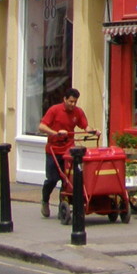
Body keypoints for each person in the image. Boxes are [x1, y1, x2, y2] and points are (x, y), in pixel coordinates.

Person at [37, 88, 88, 219]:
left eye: (75, 102)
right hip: (53, 149)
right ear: (64, 99)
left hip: (68, 151)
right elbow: (42, 127)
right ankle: (45, 200)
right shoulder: (54, 110)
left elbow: (85, 126)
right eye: (71, 101)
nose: (73, 104)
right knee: (52, 179)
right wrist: (56, 133)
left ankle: (62, 207)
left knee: (67, 181)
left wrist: (93, 131)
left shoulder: (78, 112)